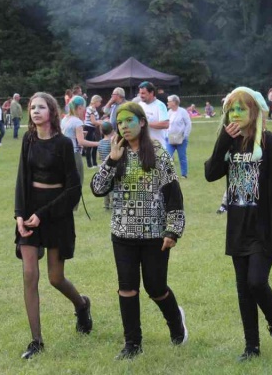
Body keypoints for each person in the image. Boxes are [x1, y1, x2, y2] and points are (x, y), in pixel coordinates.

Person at [90, 102, 188, 360]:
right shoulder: (116, 152)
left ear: (142, 122)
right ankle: (132, 343)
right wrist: (111, 161)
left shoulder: (158, 153)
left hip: (155, 234)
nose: (124, 126)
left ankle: (176, 322)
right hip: (122, 233)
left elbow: (173, 194)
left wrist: (173, 230)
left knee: (156, 288)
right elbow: (97, 189)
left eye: (129, 121)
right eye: (120, 122)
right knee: (127, 288)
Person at [204, 87, 272, 363]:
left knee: (257, 282)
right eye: (231, 109)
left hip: (263, 228)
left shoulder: (270, 142)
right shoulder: (230, 143)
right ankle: (251, 346)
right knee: (244, 290)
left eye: (241, 108)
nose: (235, 113)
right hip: (237, 228)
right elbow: (210, 173)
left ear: (254, 112)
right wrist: (223, 140)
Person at [15, 92, 92, 360]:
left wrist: (43, 214)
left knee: (55, 278)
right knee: (29, 275)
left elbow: (73, 189)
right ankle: (36, 341)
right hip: (29, 214)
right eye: (32, 107)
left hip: (56, 214)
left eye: (41, 107)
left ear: (52, 112)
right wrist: (19, 215)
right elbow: (21, 178)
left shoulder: (63, 144)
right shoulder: (28, 139)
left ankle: (81, 305)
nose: (35, 111)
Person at [60, 96, 100, 188]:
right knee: (77, 182)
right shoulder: (77, 122)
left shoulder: (65, 119)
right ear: (80, 107)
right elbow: (81, 142)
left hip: (64, 153)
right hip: (74, 154)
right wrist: (98, 143)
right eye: (84, 108)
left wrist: (80, 133)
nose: (84, 111)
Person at [166, 95, 192, 178]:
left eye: (169, 101)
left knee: (182, 157)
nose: (167, 103)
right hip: (170, 138)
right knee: (168, 156)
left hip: (181, 138)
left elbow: (188, 124)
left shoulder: (182, 111)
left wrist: (185, 135)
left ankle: (184, 174)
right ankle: (170, 174)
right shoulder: (169, 112)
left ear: (174, 102)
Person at [97, 121, 114, 210]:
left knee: (105, 186)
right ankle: (113, 204)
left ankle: (106, 205)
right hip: (111, 167)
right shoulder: (111, 142)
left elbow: (99, 156)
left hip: (103, 167)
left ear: (101, 131)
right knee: (112, 186)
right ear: (112, 131)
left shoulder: (100, 142)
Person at [84, 95, 103, 168]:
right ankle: (89, 165)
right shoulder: (91, 109)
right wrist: (102, 123)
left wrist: (101, 121)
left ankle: (94, 163)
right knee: (89, 147)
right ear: (96, 101)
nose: (100, 103)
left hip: (93, 129)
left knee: (95, 146)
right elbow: (93, 121)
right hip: (89, 129)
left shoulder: (94, 109)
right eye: (99, 102)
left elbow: (96, 121)